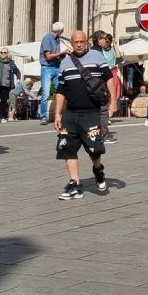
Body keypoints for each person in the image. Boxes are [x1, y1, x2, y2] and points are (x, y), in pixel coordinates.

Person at [53, 29, 110, 199]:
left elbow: (109, 79)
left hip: (91, 112)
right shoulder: (65, 62)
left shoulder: (97, 57)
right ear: (71, 43)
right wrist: (57, 113)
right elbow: (61, 90)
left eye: (82, 41)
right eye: (76, 42)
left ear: (86, 42)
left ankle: (98, 169)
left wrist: (113, 101)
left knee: (94, 149)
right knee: (66, 146)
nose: (79, 44)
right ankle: (75, 183)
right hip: (71, 114)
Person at [93, 32, 120, 142]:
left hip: (95, 83)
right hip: (99, 82)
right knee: (103, 109)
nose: (107, 41)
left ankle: (94, 133)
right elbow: (105, 73)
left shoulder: (92, 51)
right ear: (99, 40)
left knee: (97, 109)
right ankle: (104, 135)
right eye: (105, 39)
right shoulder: (98, 53)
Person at [38, 21, 66, 121]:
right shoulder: (47, 38)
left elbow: (55, 54)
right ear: (58, 31)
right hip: (47, 67)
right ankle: (43, 117)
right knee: (45, 93)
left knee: (60, 90)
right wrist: (62, 52)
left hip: (56, 66)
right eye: (62, 31)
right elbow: (48, 56)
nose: (62, 33)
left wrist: (62, 55)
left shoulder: (57, 39)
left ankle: (58, 114)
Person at [0, 46, 17, 123]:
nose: (2, 54)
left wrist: (18, 78)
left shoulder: (11, 62)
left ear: (7, 54)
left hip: (6, 84)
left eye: (4, 52)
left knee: (3, 101)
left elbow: (17, 71)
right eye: (1, 52)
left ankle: (2, 117)